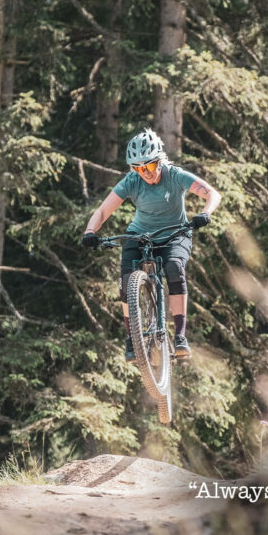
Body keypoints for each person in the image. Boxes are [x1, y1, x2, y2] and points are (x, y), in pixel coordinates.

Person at [81, 128, 221, 362]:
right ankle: (131, 338)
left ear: (159, 161)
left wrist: (205, 213)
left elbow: (212, 193)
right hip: (140, 233)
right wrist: (90, 231)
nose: (144, 172)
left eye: (148, 166)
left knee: (175, 268)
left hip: (175, 233)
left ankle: (180, 337)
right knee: (127, 280)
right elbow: (104, 209)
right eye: (138, 168)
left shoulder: (175, 175)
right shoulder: (132, 181)